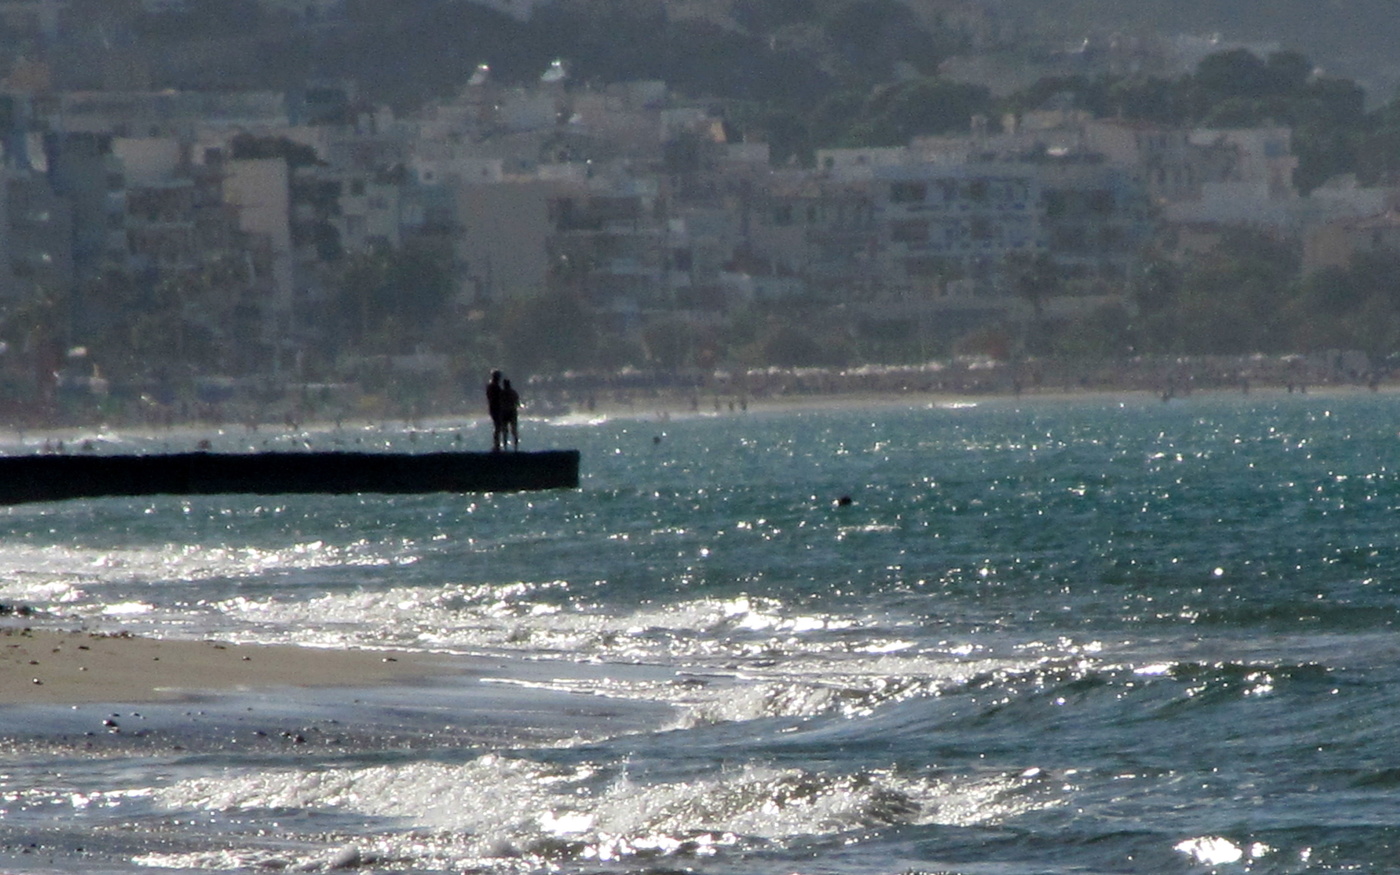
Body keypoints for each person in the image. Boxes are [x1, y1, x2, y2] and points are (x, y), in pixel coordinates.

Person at [485, 370, 504, 451]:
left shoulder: (491, 386)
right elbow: (497, 397)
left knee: (498, 426)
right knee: (498, 426)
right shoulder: (494, 386)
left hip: (494, 407)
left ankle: (497, 444)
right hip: (496, 407)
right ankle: (497, 445)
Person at [501, 378, 520, 450]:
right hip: (512, 411)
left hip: (505, 412)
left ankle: (505, 446)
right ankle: (515, 446)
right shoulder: (513, 392)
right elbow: (517, 402)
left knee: (505, 430)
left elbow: (500, 402)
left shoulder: (502, 393)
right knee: (513, 429)